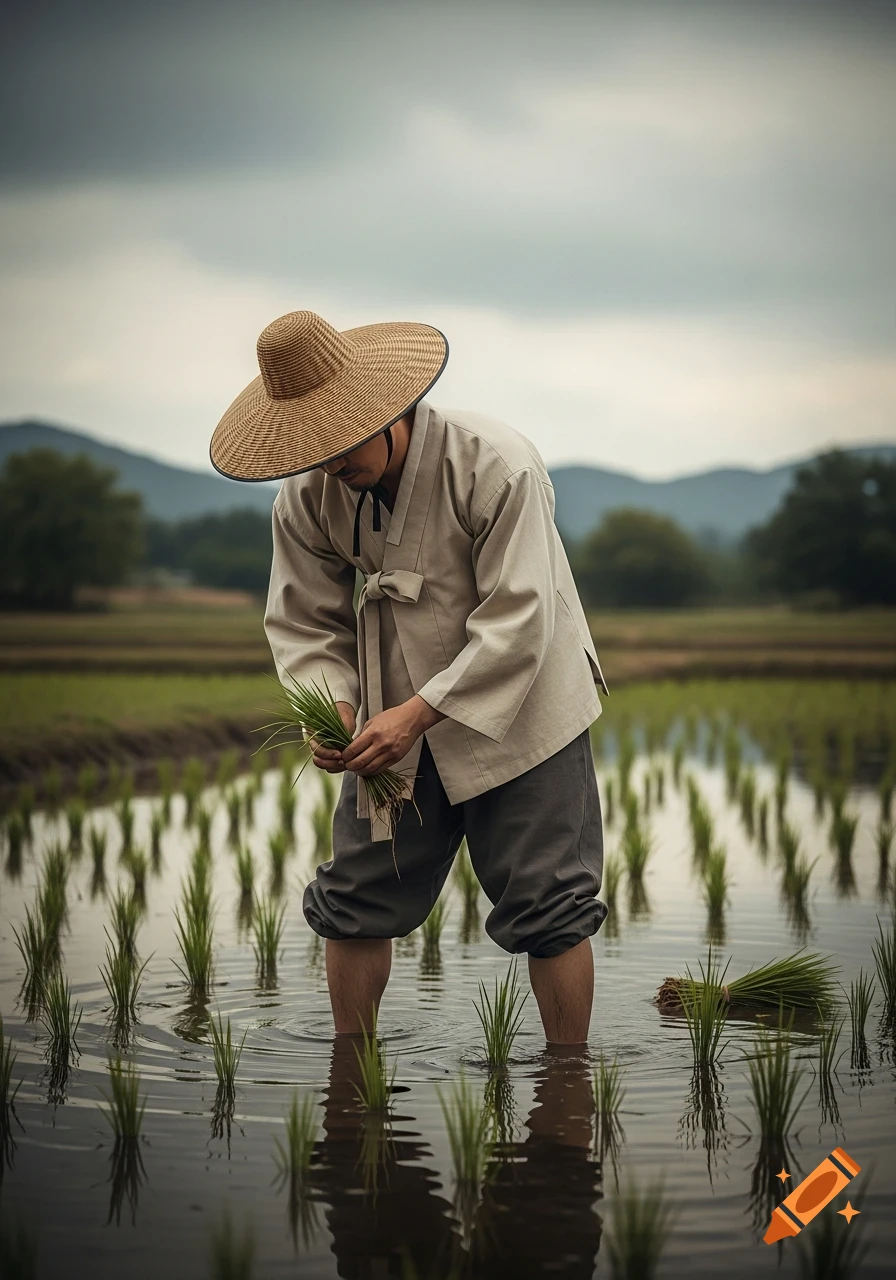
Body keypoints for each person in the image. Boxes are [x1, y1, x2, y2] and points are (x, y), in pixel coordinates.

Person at [210, 309, 610, 1045]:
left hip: (525, 701)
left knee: (549, 903)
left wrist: (419, 714)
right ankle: (348, 1068)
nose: (331, 462)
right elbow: (303, 621)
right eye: (313, 447)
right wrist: (331, 708)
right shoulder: (307, 498)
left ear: (391, 411)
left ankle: (567, 1082)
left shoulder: (495, 464)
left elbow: (521, 618)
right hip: (390, 712)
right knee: (358, 892)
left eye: (342, 439)